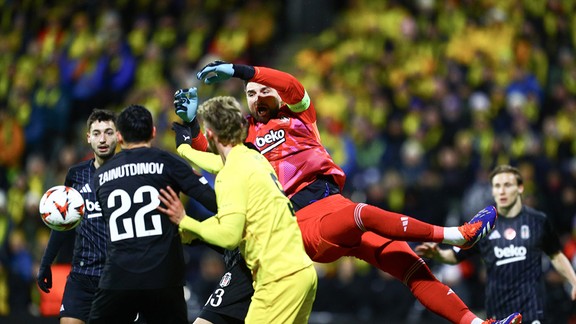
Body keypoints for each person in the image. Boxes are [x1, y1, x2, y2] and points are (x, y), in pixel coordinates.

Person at [169, 61, 522, 324]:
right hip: (301, 220)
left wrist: (241, 70)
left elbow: (290, 83)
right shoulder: (243, 140)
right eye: (250, 94)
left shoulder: (300, 117)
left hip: (329, 205)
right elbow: (212, 152)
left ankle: (477, 323)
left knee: (410, 265)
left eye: (263, 90)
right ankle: (457, 235)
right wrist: (189, 127)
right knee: (362, 212)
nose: (257, 96)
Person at [157, 95, 317, 323]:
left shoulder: (230, 176)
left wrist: (184, 220)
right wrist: (184, 149)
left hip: (277, 279)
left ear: (210, 133)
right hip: (302, 272)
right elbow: (218, 164)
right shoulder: (253, 158)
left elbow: (230, 236)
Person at [89, 104, 218, 324]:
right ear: (153, 132)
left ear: (119, 137)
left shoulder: (100, 177)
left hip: (118, 278)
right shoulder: (169, 163)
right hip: (164, 277)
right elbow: (213, 201)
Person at [416, 164, 576, 323]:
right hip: (498, 311)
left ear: (519, 188)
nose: (502, 190)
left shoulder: (538, 222)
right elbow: (455, 256)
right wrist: (438, 254)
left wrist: (573, 280)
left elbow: (556, 255)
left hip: (532, 309)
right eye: (497, 186)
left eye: (507, 185)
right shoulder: (484, 224)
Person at [37, 109, 118, 324]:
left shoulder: (127, 172)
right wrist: (46, 263)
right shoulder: (76, 174)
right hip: (82, 274)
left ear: (118, 136)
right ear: (88, 138)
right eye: (97, 133)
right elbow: (63, 222)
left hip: (118, 275)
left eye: (109, 132)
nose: (103, 139)